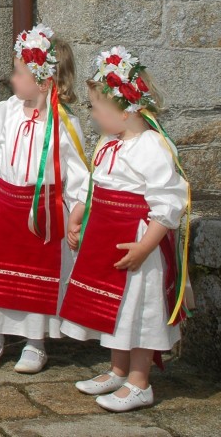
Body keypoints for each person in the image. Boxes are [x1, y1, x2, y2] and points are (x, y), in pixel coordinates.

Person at [59, 47, 190, 412]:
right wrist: (78, 215)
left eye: (97, 107)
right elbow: (95, 184)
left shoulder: (151, 147)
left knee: (137, 309)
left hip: (136, 244)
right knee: (113, 309)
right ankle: (118, 369)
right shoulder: (109, 144)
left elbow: (168, 205)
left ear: (126, 108)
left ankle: (139, 381)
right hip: (106, 241)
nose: (93, 114)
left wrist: (145, 247)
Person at [0, 25, 89, 373]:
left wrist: (76, 212)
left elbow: (78, 174)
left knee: (37, 276)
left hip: (43, 211)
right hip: (7, 205)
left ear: (43, 82)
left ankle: (34, 342)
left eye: (18, 72)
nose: (12, 78)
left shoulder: (64, 124)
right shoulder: (7, 110)